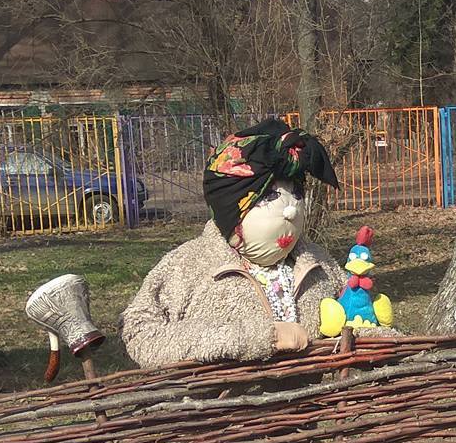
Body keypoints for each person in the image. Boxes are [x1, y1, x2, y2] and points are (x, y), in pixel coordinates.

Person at [119, 119, 350, 369]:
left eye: (296, 194)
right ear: (231, 208)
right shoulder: (187, 266)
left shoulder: (316, 261)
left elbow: (356, 315)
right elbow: (141, 335)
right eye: (270, 196)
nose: (291, 211)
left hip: (314, 404)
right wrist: (253, 337)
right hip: (220, 406)